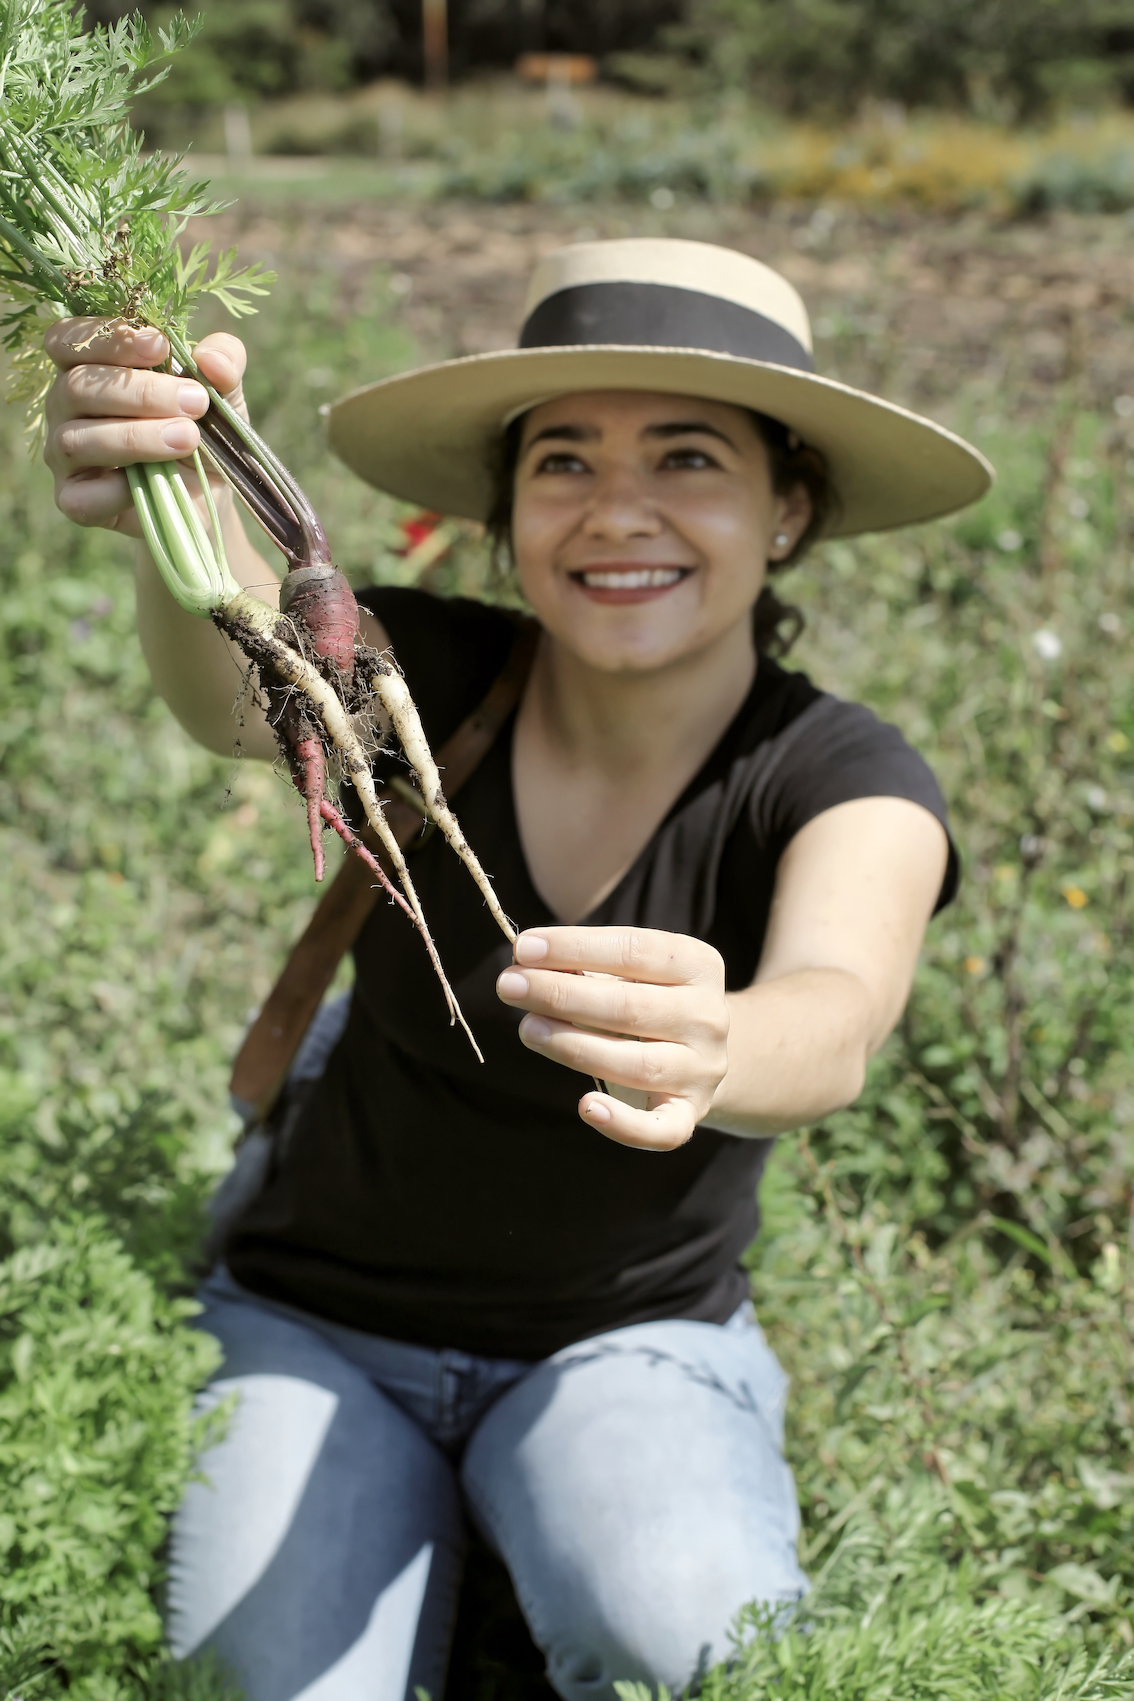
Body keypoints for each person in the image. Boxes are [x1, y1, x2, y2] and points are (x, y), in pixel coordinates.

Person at [44, 237, 991, 1701]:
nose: (617, 511)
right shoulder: (416, 670)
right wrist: (162, 471)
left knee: (683, 1642)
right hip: (317, 1327)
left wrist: (722, 1047)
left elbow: (836, 1015)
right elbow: (243, 673)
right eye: (562, 463)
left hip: (618, 1345)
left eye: (687, 458)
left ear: (786, 506)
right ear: (504, 513)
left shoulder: (838, 775)